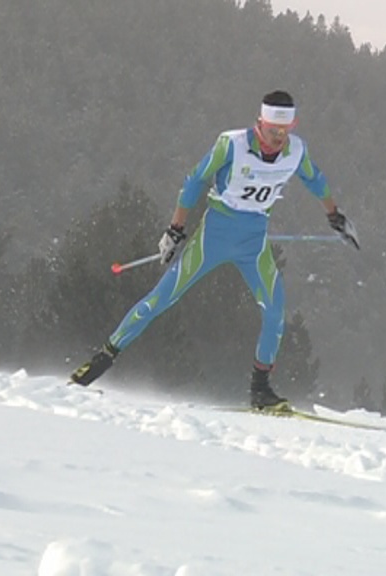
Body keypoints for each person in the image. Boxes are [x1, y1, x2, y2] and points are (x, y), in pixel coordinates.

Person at [69, 90, 359, 410]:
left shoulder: (296, 150)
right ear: (259, 124)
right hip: (215, 236)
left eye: (284, 131)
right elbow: (195, 180)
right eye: (272, 131)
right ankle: (98, 363)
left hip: (254, 242)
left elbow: (315, 179)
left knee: (275, 310)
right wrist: (175, 230)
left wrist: (336, 216)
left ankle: (260, 390)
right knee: (161, 297)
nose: (278, 138)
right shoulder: (231, 144)